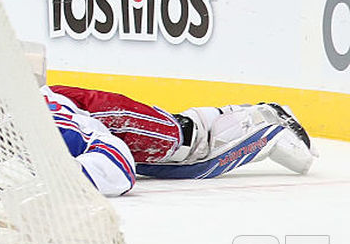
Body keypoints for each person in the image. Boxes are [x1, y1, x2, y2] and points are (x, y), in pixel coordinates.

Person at [46, 86, 313, 194]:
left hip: (91, 111)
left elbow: (118, 163)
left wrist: (65, 177)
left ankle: (262, 117)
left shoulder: (47, 120)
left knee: (184, 143)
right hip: (72, 113)